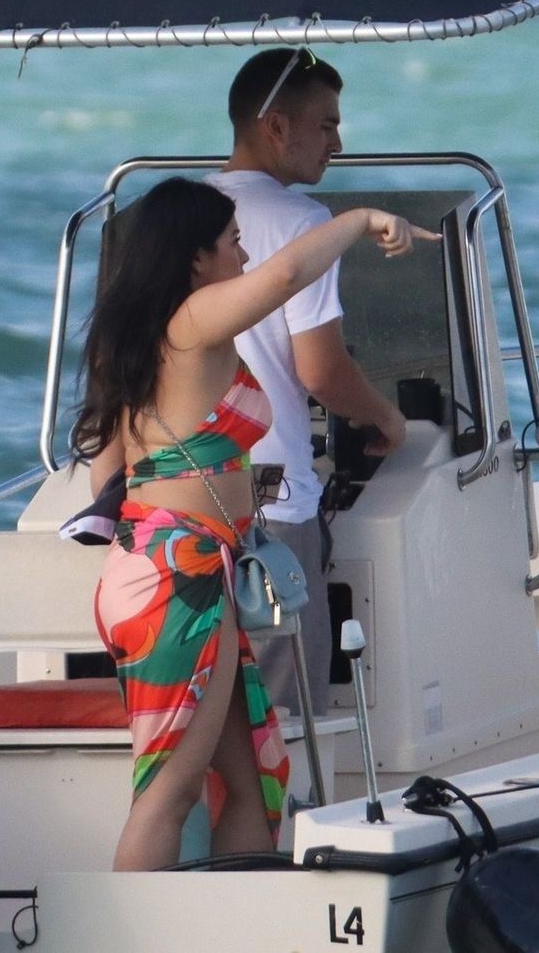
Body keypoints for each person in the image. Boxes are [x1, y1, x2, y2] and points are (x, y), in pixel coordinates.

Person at [74, 178, 434, 870]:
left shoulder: (142, 338)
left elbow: (106, 477)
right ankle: (127, 927)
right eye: (233, 242)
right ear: (196, 258)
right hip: (178, 579)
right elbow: (287, 274)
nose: (243, 256)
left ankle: (227, 919)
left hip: (164, 570)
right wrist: (361, 219)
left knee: (255, 781)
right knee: (168, 794)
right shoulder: (192, 319)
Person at [209, 49, 410, 721]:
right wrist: (386, 418)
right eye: (326, 125)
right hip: (269, 501)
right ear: (276, 126)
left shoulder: (173, 210)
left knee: (208, 714)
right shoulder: (302, 222)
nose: (337, 143)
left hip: (180, 500)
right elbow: (321, 371)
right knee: (284, 718)